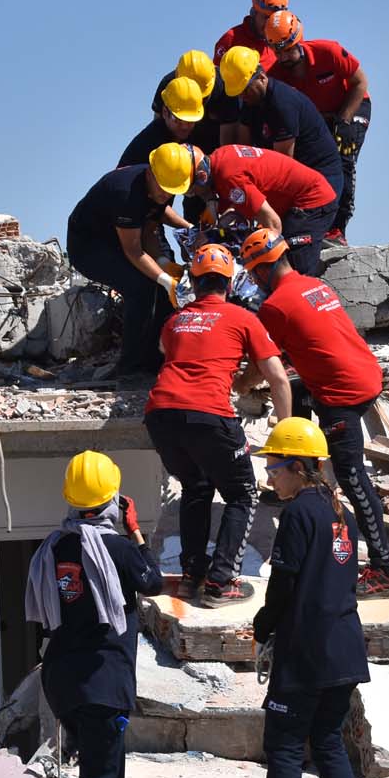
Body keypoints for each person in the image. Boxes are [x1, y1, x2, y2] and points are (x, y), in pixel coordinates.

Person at [25, 451, 164, 778]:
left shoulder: (55, 546)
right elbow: (153, 581)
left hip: (65, 680)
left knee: (107, 767)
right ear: (112, 500)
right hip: (103, 678)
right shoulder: (117, 547)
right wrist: (136, 531)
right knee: (101, 777)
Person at [239, 228, 389, 598]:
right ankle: (296, 480)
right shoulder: (316, 286)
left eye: (253, 273)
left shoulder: (274, 307)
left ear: (261, 271)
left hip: (341, 393)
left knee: (352, 477)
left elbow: (263, 365)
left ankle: (385, 571)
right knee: (295, 398)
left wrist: (241, 385)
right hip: (363, 372)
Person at [246, 417, 368, 778]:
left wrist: (263, 625)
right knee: (330, 743)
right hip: (344, 650)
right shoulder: (342, 514)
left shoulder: (298, 513)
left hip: (306, 654)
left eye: (274, 466)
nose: (269, 476)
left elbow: (284, 583)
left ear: (298, 466)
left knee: (283, 747)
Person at [144, 243, 292, 606]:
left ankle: (194, 576)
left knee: (196, 486)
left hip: (161, 414)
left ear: (193, 282)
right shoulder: (243, 319)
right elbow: (278, 377)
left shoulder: (174, 320)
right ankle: (221, 582)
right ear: (230, 282)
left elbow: (171, 353)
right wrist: (286, 433)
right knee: (243, 493)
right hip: (208, 414)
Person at [67, 144, 195, 375]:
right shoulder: (126, 194)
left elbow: (149, 230)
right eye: (164, 190)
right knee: (141, 288)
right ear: (150, 174)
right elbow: (134, 250)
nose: (166, 196)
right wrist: (165, 279)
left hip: (121, 240)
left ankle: (157, 358)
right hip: (89, 247)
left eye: (171, 192)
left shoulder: (163, 184)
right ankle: (130, 367)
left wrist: (164, 264)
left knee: (162, 291)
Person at [263, 10, 371, 245]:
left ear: (298, 41)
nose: (283, 58)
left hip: (351, 105)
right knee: (316, 164)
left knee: (343, 156)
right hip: (318, 119)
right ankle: (318, 222)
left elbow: (360, 82)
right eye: (277, 52)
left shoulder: (328, 52)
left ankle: (338, 229)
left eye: (287, 50)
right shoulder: (277, 76)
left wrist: (343, 121)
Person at [185, 143, 338, 276]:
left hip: (313, 201)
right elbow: (239, 212)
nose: (194, 195)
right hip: (299, 199)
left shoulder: (229, 179)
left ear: (202, 177)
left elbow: (273, 225)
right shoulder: (220, 158)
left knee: (293, 269)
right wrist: (214, 233)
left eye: (192, 191)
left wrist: (256, 269)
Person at [218, 47, 344, 204]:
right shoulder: (251, 101)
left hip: (322, 183)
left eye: (245, 89)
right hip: (297, 179)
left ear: (262, 77)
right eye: (238, 92)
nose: (242, 96)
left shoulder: (282, 104)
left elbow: (283, 168)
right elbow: (243, 151)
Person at [147, 50, 232, 155]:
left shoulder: (224, 88)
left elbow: (228, 140)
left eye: (202, 98)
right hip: (179, 149)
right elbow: (159, 129)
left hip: (213, 145)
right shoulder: (168, 86)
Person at [118, 75, 209, 168]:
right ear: (165, 113)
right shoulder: (149, 145)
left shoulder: (200, 132)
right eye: (178, 120)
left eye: (190, 121)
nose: (185, 126)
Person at [213, 0, 286, 69]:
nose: (270, 24)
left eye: (275, 19)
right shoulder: (231, 39)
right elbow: (217, 79)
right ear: (254, 12)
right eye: (266, 17)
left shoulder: (286, 39)